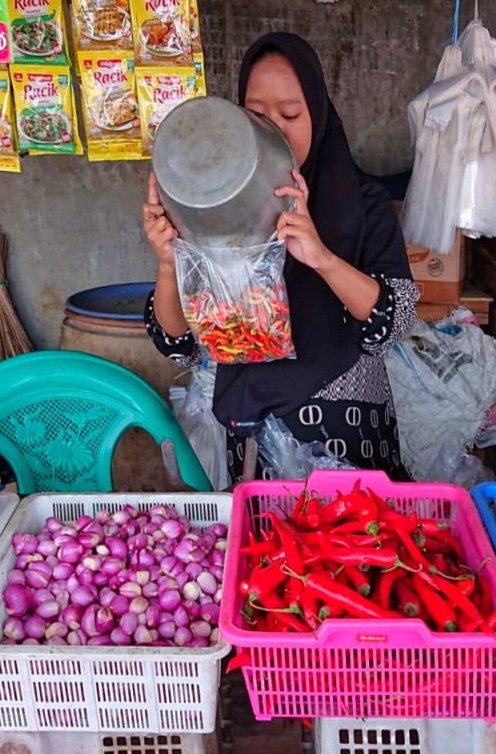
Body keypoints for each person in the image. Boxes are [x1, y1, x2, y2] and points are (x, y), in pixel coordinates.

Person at [142, 32, 419, 482]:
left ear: (318, 114)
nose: (272, 128)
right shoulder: (214, 212)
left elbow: (396, 322)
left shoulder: (362, 202)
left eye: (290, 114)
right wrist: (169, 263)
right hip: (252, 441)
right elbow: (180, 346)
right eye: (254, 114)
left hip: (348, 436)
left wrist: (322, 257)